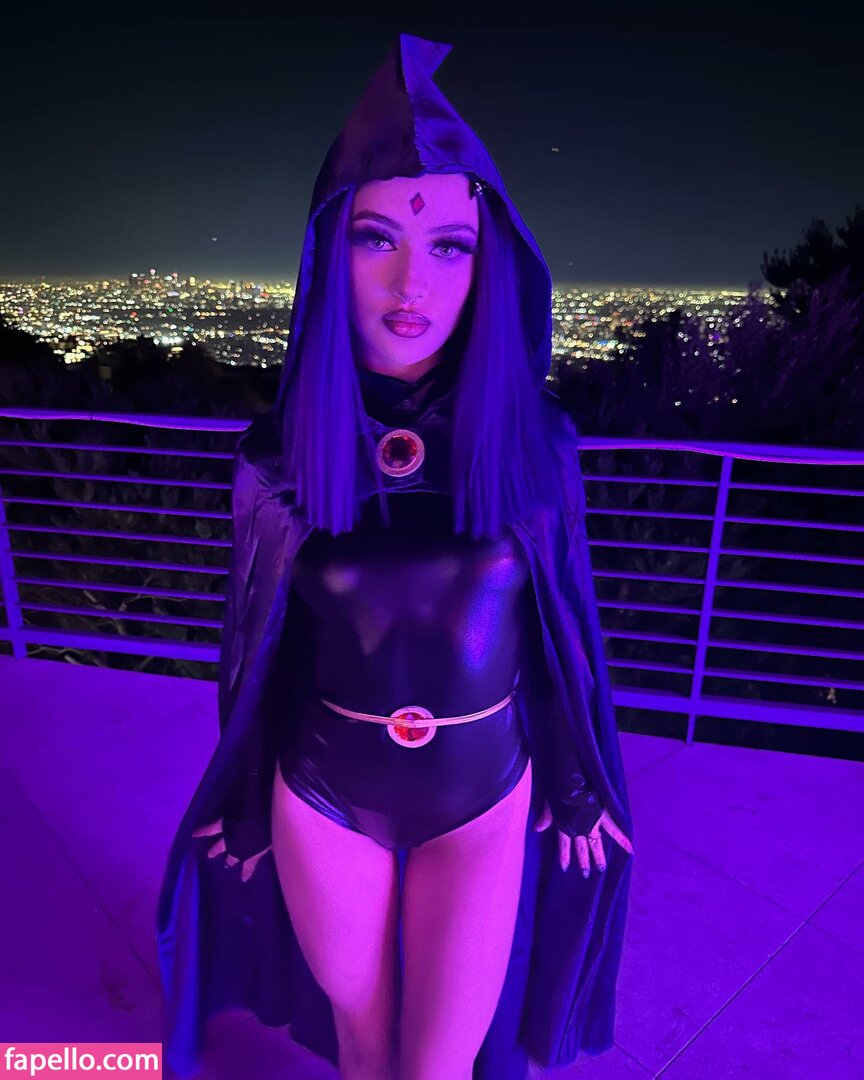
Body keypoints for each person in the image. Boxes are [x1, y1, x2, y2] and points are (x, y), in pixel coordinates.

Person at [156, 32, 635, 1080]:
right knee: (365, 1051)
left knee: (438, 1067)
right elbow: (259, 653)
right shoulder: (278, 458)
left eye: (450, 246)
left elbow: (560, 633)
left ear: (487, 263)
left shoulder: (537, 445)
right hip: (324, 794)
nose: (414, 280)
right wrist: (245, 789)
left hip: (484, 798)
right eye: (378, 237)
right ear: (331, 253)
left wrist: (573, 775)